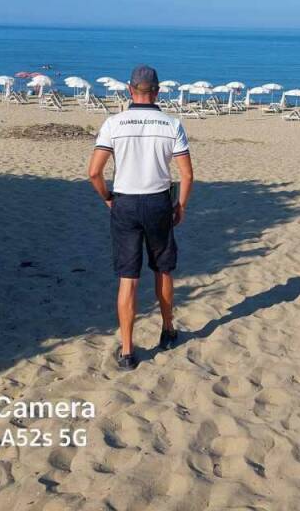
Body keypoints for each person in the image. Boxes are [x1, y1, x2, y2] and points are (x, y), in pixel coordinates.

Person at [87, 65, 194, 371]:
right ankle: (168, 330)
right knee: (162, 269)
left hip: (125, 202)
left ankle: (127, 350)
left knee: (128, 279)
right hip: (158, 202)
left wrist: (107, 197)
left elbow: (94, 172)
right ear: (157, 91)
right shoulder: (171, 124)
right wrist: (181, 206)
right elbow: (186, 174)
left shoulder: (114, 123)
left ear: (129, 90)